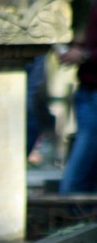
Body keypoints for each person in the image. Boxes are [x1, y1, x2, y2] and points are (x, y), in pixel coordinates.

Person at [59, 4, 97, 195]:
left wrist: (84, 54)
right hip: (87, 90)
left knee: (75, 182)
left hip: (93, 93)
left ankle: (73, 217)